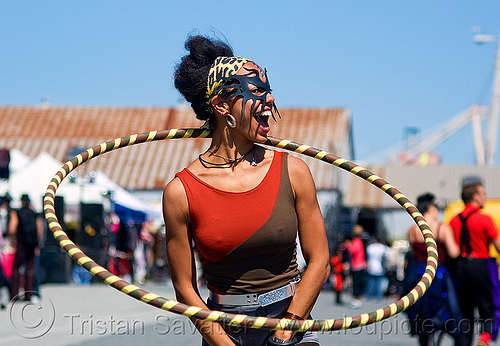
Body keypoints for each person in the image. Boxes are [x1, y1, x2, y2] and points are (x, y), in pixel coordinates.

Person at [163, 35, 330, 346]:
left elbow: (320, 259)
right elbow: (184, 287)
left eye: (268, 92)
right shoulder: (180, 192)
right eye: (256, 92)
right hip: (224, 330)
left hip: (292, 319)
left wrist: (286, 330)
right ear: (221, 104)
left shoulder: (293, 172)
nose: (269, 101)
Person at [403, 192, 461, 346]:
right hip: (437, 274)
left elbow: (413, 252)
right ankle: (436, 338)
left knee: (421, 312)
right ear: (432, 208)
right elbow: (454, 252)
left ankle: (424, 339)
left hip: (417, 274)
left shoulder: (412, 230)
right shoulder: (442, 228)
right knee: (442, 311)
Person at [449, 178, 500, 346]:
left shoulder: (454, 221)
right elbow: (498, 246)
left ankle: (463, 343)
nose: (486, 197)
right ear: (476, 197)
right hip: (481, 265)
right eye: (483, 194)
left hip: (460, 268)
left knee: (464, 310)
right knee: (488, 306)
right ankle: (485, 338)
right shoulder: (485, 219)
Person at [9, 194, 43, 301]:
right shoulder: (35, 214)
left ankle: (14, 294)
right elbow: (40, 230)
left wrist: (13, 241)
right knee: (30, 269)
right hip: (32, 244)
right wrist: (37, 244)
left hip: (21, 243)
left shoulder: (17, 212)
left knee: (16, 269)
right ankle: (28, 294)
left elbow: (12, 229)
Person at [344, 225, 367, 309]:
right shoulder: (359, 241)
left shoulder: (357, 241)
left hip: (358, 265)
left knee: (356, 283)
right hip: (356, 265)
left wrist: (348, 245)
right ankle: (356, 299)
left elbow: (354, 251)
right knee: (355, 282)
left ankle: (357, 299)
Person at [365, 236, 390, 301]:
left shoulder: (370, 247)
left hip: (371, 267)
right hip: (380, 267)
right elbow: (388, 257)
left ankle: (369, 296)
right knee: (379, 284)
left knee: (371, 283)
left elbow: (367, 256)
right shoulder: (383, 248)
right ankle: (378, 296)